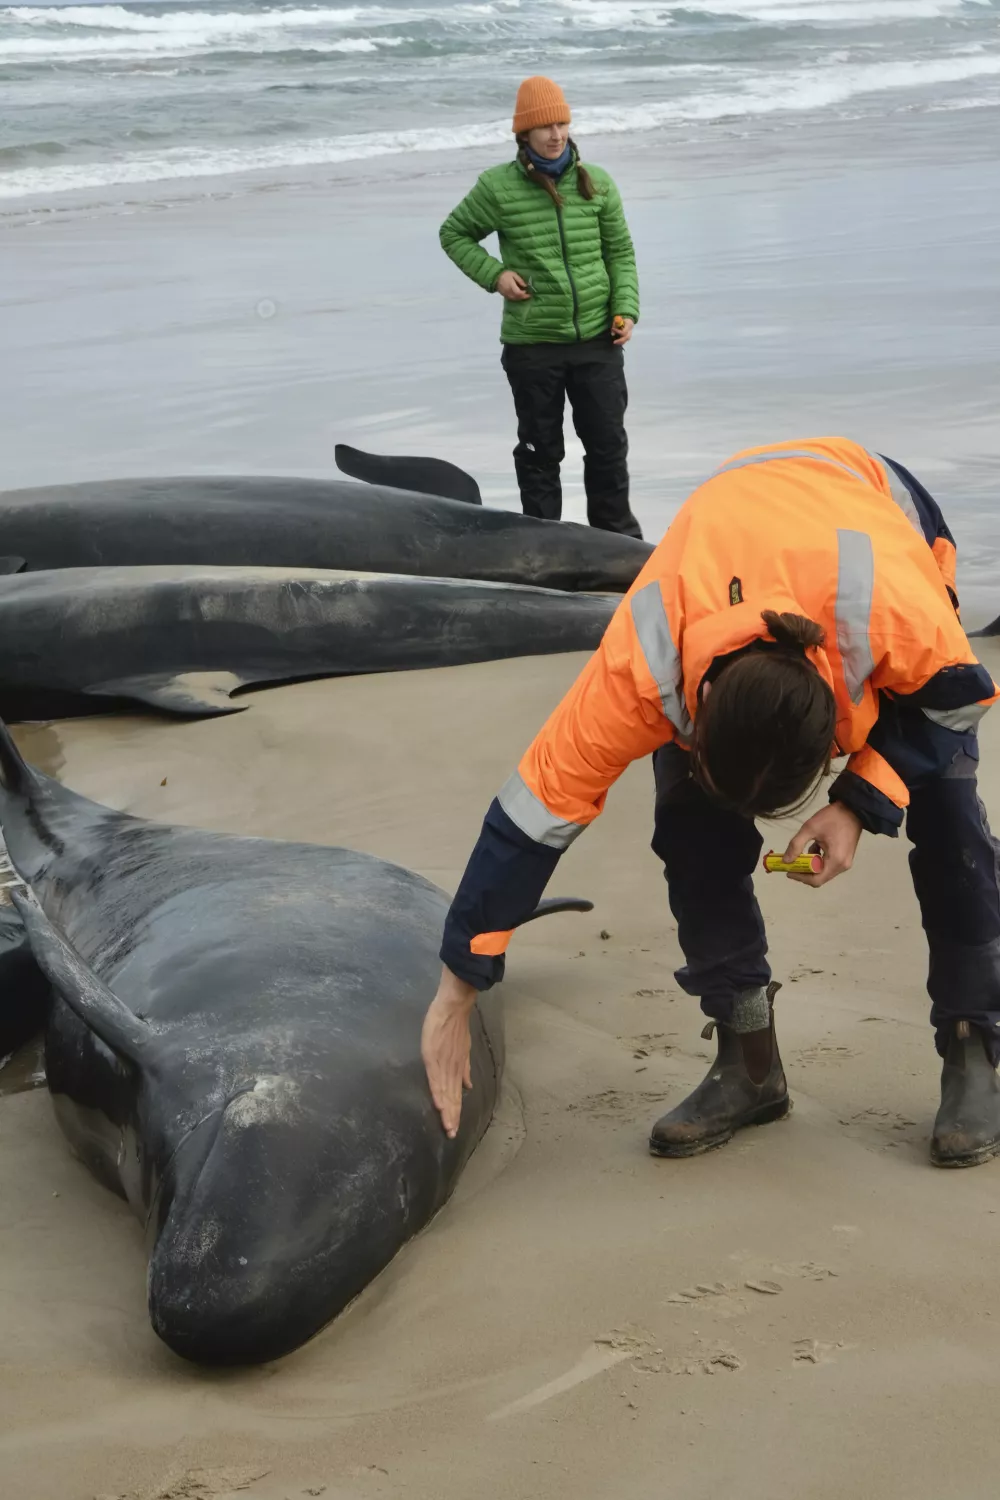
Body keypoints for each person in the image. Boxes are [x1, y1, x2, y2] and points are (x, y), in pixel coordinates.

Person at [420, 437, 1000, 1170]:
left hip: (880, 506)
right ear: (692, 718)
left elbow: (957, 703)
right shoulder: (643, 659)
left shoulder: (894, 610)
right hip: (731, 545)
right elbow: (530, 820)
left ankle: (972, 1045)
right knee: (693, 836)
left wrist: (858, 800)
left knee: (949, 827)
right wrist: (457, 987)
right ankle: (749, 1061)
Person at [439, 76, 642, 539]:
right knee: (540, 451)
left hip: (597, 340)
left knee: (608, 447)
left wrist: (626, 309)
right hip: (534, 346)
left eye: (562, 123)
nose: (556, 134)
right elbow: (454, 234)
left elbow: (621, 255)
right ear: (523, 135)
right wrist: (495, 276)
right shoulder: (497, 188)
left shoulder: (599, 184)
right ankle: (541, 545)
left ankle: (619, 545)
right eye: (544, 126)